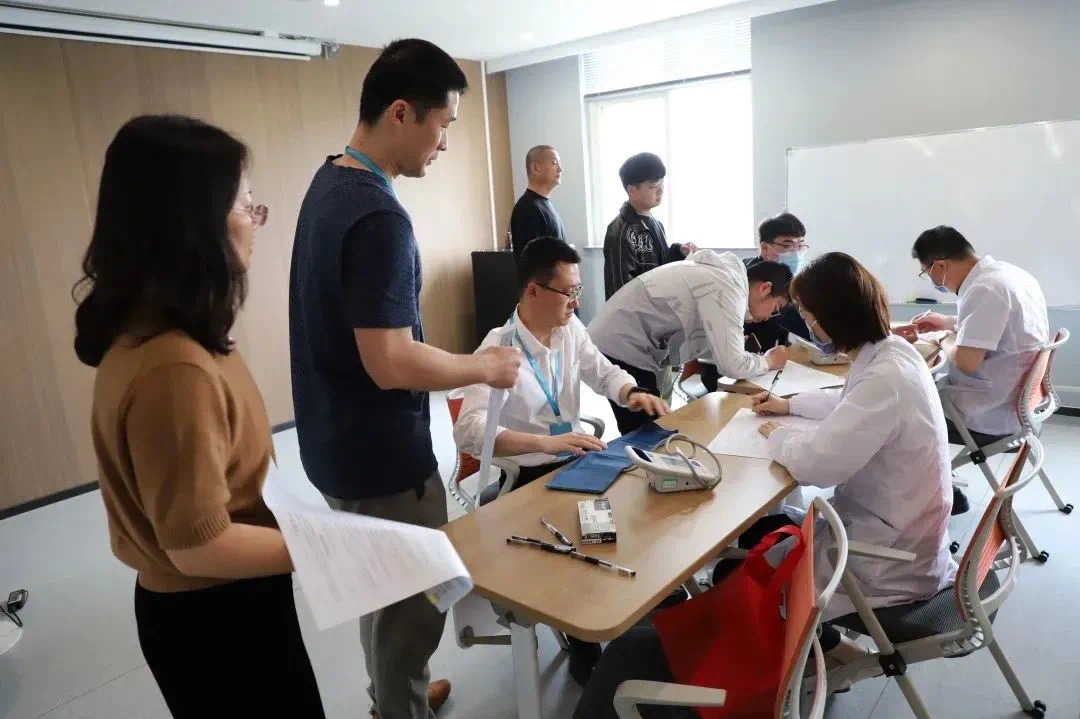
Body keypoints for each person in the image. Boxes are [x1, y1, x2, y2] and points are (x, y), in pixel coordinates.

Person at [573, 253, 957, 719]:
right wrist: (789, 406)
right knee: (761, 537)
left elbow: (817, 465)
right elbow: (846, 399)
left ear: (833, 315)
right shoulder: (891, 353)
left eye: (810, 315)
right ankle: (818, 644)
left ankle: (800, 644)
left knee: (751, 554)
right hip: (889, 529)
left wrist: (779, 436)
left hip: (885, 557)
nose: (806, 324)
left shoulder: (885, 375)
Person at [289, 39, 521, 719]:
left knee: (380, 588)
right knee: (412, 608)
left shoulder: (329, 184)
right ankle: (400, 703)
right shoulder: (379, 217)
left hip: (331, 443)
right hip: (382, 459)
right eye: (442, 124)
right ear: (400, 113)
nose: (444, 142)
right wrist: (481, 365)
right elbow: (389, 360)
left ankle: (393, 694)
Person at [74, 115, 324, 717]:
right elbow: (199, 546)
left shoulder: (167, 331)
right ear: (191, 224)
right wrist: (324, 550)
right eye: (244, 204)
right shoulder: (173, 369)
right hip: (217, 619)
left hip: (219, 603)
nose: (256, 220)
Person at [454, 236, 669, 685]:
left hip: (574, 461)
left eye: (578, 291)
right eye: (568, 292)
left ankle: (633, 614)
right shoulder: (498, 349)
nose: (576, 302)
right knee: (579, 547)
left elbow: (603, 372)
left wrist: (632, 392)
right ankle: (582, 636)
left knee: (633, 515)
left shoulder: (570, 330)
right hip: (529, 473)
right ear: (533, 290)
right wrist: (546, 444)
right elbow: (469, 430)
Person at [895, 226, 1049, 514]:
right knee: (918, 393)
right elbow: (998, 327)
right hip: (1020, 404)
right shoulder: (1009, 275)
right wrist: (949, 322)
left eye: (926, 272)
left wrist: (942, 337)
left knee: (897, 411)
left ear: (940, 266)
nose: (931, 280)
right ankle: (936, 476)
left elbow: (967, 361)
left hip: (987, 414)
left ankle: (936, 490)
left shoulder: (984, 290)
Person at [589, 250, 791, 434]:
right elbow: (732, 365)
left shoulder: (722, 278)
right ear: (765, 288)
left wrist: (731, 347)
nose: (770, 317)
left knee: (651, 428)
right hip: (622, 345)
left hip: (625, 340)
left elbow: (695, 335)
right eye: (776, 308)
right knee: (645, 436)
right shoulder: (727, 288)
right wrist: (768, 361)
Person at [699, 212, 812, 392]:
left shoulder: (788, 283)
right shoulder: (740, 283)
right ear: (765, 248)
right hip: (728, 373)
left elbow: (807, 325)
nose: (795, 252)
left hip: (764, 370)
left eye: (800, 246)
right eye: (787, 245)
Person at [602, 152, 697, 299]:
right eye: (654, 186)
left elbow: (660, 266)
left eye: (662, 183)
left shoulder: (656, 223)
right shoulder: (620, 231)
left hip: (657, 307)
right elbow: (620, 292)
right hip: (637, 311)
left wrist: (679, 251)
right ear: (631, 189)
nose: (661, 190)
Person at [509, 145, 566, 259]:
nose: (560, 169)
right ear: (535, 168)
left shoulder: (547, 205)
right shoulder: (527, 209)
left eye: (559, 163)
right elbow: (534, 262)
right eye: (554, 163)